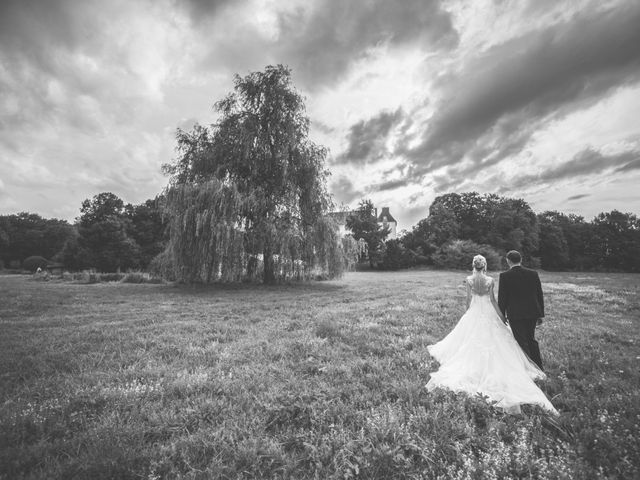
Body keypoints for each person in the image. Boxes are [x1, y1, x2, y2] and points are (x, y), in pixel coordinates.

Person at [426, 254, 557, 414]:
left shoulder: (469, 280)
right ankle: (531, 365)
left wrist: (467, 314)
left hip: (476, 311)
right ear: (485, 265)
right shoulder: (491, 280)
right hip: (495, 312)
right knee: (519, 339)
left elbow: (468, 300)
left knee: (471, 339)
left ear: (474, 265)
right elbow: (494, 301)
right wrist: (501, 317)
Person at [498, 250, 545, 370]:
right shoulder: (533, 273)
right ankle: (538, 366)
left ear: (508, 261)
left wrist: (501, 316)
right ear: (521, 260)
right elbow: (539, 294)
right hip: (532, 312)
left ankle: (528, 368)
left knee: (521, 341)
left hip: (515, 314)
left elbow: (502, 298)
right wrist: (540, 314)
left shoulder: (504, 276)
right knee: (531, 339)